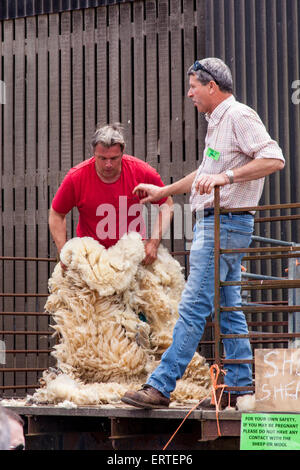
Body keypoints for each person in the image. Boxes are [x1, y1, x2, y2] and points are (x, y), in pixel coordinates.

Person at [122, 57, 285, 410]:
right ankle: (241, 388)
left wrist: (226, 178)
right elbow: (204, 172)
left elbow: (274, 158)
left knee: (194, 305)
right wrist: (164, 191)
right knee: (228, 305)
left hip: (223, 222)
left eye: (193, 86)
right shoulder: (218, 121)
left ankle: (161, 385)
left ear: (212, 86)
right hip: (221, 222)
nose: (189, 92)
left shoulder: (239, 115)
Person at [49, 123, 173, 266]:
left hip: (132, 259)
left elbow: (167, 204)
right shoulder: (76, 177)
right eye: (102, 158)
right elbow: (56, 214)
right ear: (94, 153)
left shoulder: (141, 172)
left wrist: (153, 243)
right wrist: (63, 251)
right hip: (92, 261)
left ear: (122, 152)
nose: (108, 164)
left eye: (114, 158)